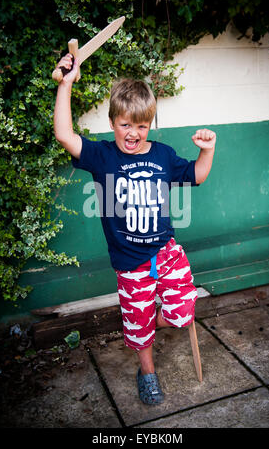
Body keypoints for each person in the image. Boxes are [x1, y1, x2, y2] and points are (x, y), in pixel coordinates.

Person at [54, 54, 216, 405]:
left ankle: (141, 324)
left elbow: (197, 175)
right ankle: (147, 371)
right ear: (113, 122)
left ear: (150, 124)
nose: (134, 134)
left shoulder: (162, 154)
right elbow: (64, 134)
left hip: (167, 253)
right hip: (131, 263)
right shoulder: (102, 156)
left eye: (142, 126)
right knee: (139, 327)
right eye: (126, 125)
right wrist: (66, 83)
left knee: (181, 312)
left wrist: (208, 150)